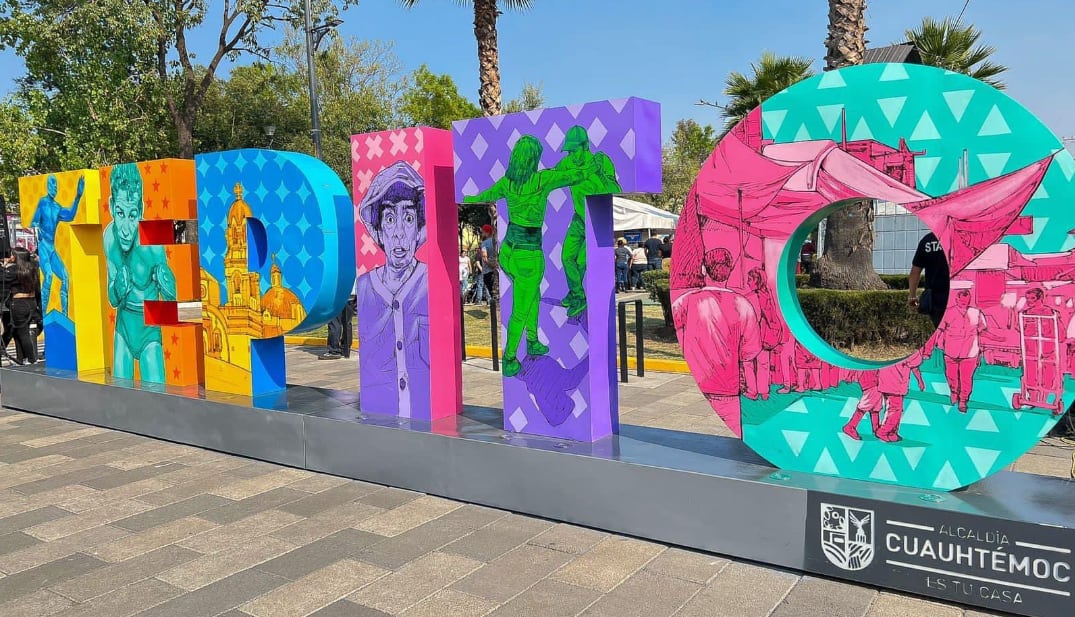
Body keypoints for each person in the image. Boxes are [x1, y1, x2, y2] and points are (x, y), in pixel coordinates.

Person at [463, 135, 582, 378]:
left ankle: (533, 340)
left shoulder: (508, 182)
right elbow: (574, 176)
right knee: (521, 309)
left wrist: (466, 198)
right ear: (534, 158)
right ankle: (509, 358)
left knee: (532, 296)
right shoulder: (542, 179)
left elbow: (482, 194)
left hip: (508, 252)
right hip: (529, 255)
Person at [356, 162, 430, 416]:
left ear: (419, 228)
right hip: (382, 414)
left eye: (408, 218)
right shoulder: (365, 286)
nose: (399, 233)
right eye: (389, 219)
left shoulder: (430, 281)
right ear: (378, 230)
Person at [672, 247, 760, 437]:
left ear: (704, 269)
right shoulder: (743, 304)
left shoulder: (685, 302)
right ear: (730, 270)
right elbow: (750, 353)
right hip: (729, 387)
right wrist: (751, 388)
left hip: (700, 381)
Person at [104, 164, 176, 382]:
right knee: (120, 397)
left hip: (149, 333)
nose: (126, 227)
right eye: (120, 213)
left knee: (157, 398)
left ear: (141, 210)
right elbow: (112, 299)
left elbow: (172, 301)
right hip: (123, 328)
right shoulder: (109, 237)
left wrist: (168, 285)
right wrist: (117, 289)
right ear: (111, 205)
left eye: (133, 214)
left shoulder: (153, 242)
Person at [554, 125, 621, 317]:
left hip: (596, 220)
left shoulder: (600, 160)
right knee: (566, 257)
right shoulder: (567, 163)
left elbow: (615, 188)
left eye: (574, 150)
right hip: (578, 219)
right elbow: (551, 176)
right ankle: (577, 294)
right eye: (569, 151)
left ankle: (577, 295)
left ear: (585, 146)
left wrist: (597, 173)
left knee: (582, 261)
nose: (572, 155)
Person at [31, 174, 83, 315]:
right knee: (48, 276)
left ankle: (64, 315)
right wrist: (36, 230)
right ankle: (43, 314)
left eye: (56, 185)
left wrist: (78, 197)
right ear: (48, 185)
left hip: (52, 249)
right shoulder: (42, 203)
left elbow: (70, 215)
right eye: (53, 184)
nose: (55, 187)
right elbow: (34, 222)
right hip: (43, 246)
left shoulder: (57, 207)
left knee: (66, 277)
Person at [908, 232, 949, 327]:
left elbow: (915, 272)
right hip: (961, 296)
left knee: (941, 333)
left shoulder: (927, 240)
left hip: (936, 300)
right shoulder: (960, 238)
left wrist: (912, 296)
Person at [9, 247, 40, 364]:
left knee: (22, 332)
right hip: (31, 301)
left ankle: (31, 358)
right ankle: (21, 358)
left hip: (19, 303)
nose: (11, 257)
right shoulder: (32, 268)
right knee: (20, 331)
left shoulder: (14, 271)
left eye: (13, 255)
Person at [320, 279, 357, 360]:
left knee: (334, 322)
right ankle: (346, 349)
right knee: (347, 323)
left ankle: (334, 350)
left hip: (337, 296)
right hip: (351, 294)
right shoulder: (353, 266)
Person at [478, 224, 496, 304]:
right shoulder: (496, 241)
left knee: (493, 295)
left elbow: (485, 258)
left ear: (487, 233)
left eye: (483, 232)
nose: (482, 234)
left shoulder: (484, 243)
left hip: (488, 271)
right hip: (497, 271)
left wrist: (492, 266)